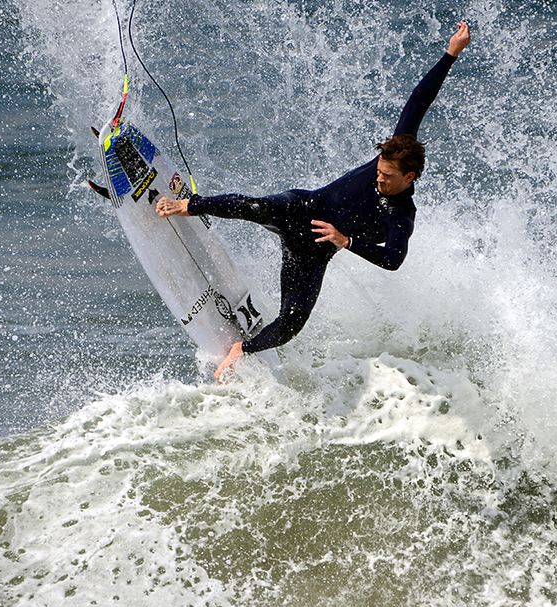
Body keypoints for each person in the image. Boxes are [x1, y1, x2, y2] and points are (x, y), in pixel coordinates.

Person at [156, 21, 471, 382]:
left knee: (292, 324)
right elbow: (419, 100)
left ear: (409, 177)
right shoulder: (397, 146)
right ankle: (188, 206)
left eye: (387, 177)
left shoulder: (401, 215)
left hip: (313, 251)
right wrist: (451, 54)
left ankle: (241, 350)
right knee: (257, 207)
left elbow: (394, 259)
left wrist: (345, 241)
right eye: (378, 171)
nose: (379, 179)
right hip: (301, 208)